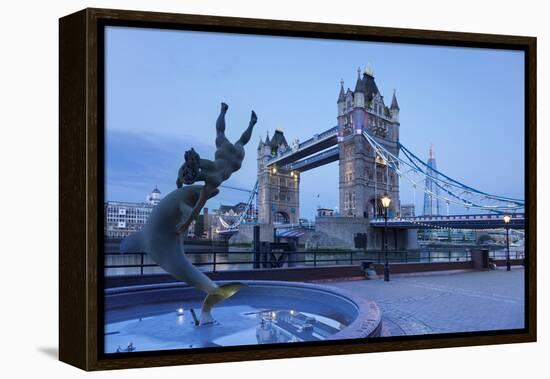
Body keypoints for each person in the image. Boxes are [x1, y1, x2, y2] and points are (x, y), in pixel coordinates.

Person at [176, 102, 257, 234]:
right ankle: (224, 111)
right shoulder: (207, 164)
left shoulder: (213, 182)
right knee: (221, 133)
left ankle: (251, 122)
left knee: (240, 142)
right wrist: (179, 180)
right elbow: (192, 162)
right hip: (226, 153)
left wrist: (185, 225)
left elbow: (198, 207)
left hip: (236, 162)